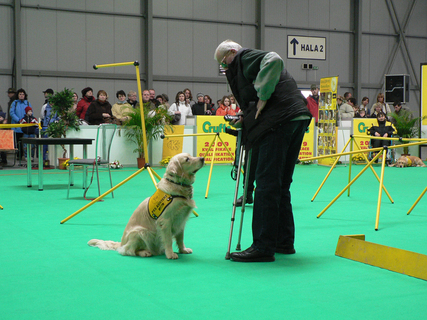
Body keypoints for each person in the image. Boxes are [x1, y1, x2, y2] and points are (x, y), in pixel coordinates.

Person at [214, 39, 312, 262]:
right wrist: (246, 115)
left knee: (266, 183)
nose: (225, 67)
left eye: (224, 62)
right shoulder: (246, 63)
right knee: (281, 184)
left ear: (232, 52)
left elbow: (274, 59)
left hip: (278, 122)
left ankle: (263, 246)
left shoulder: (244, 56)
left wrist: (262, 97)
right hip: (296, 118)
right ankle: (283, 241)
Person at [9, 88, 32, 159]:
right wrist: (18, 120)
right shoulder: (14, 103)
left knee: (25, 141)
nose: (22, 96)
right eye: (20, 94)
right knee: (18, 141)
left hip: (25, 126)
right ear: (18, 95)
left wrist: (25, 120)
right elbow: (12, 113)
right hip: (17, 126)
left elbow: (31, 112)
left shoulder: (27, 103)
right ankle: (18, 155)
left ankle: (26, 155)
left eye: (23, 94)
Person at [40, 95, 58, 161]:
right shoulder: (44, 107)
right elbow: (42, 116)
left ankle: (52, 159)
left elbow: (58, 117)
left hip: (54, 128)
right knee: (45, 144)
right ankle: (44, 159)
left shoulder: (57, 108)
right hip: (46, 127)